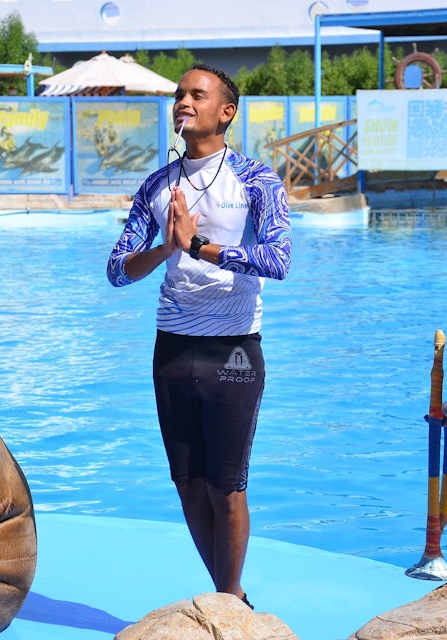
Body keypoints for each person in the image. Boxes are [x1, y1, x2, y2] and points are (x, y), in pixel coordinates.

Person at [106, 64, 291, 609]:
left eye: (197, 94)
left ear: (226, 112)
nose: (184, 101)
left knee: (225, 485)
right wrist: (167, 248)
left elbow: (278, 261)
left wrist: (201, 248)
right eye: (179, 94)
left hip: (232, 349)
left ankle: (230, 603)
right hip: (173, 348)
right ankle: (228, 598)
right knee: (187, 482)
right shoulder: (156, 186)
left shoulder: (257, 181)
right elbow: (118, 270)